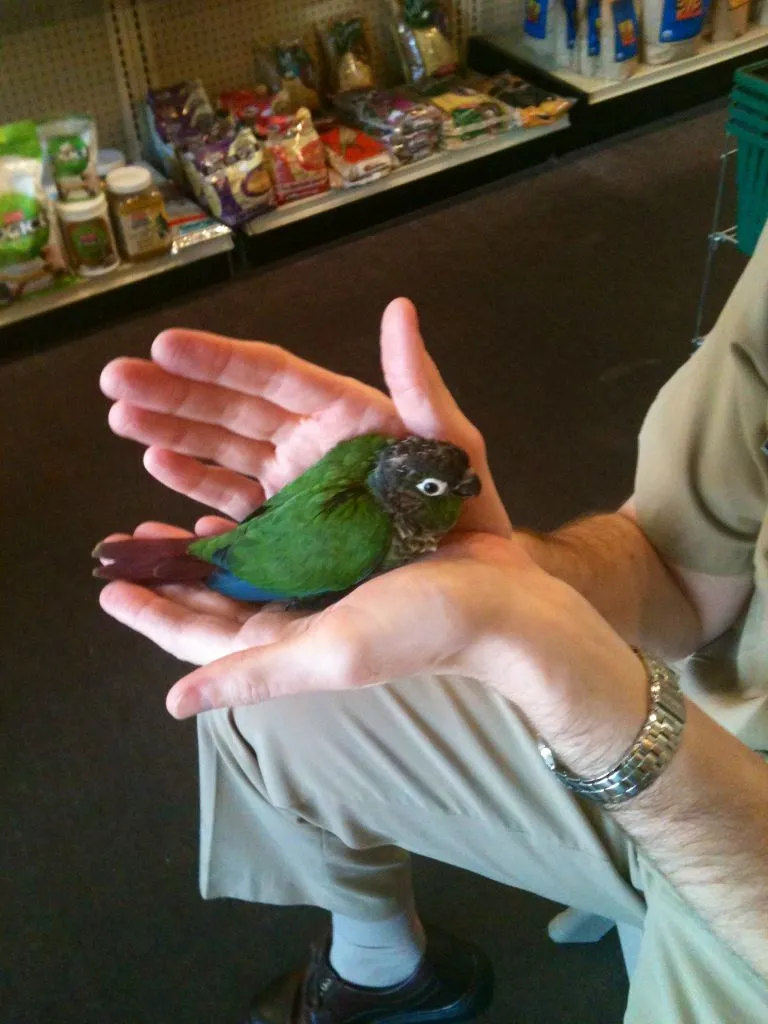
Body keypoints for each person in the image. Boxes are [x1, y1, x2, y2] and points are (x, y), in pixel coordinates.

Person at [96, 223, 768, 1024]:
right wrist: (514, 574)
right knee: (257, 707)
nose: (451, 505)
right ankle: (384, 963)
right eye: (436, 496)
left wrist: (570, 681)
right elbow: (675, 563)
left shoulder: (388, 516)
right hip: (676, 704)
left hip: (738, 886)